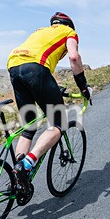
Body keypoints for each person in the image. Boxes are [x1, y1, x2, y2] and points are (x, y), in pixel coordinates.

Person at [7, 12, 90, 191]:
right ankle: (26, 165)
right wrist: (83, 87)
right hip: (36, 69)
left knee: (28, 127)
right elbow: (74, 58)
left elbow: (35, 67)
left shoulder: (41, 31)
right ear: (69, 25)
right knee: (58, 125)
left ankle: (16, 176)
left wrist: (52, 87)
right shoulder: (69, 33)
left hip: (14, 66)